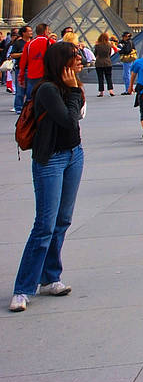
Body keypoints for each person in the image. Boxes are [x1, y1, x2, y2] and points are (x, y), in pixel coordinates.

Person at [10, 41, 85, 312]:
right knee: (44, 225)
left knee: (62, 220)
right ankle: (23, 288)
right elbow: (69, 119)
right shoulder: (47, 89)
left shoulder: (71, 85)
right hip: (51, 159)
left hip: (73, 155)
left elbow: (75, 117)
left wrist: (76, 90)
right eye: (74, 57)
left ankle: (51, 276)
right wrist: (75, 92)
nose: (79, 61)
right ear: (60, 62)